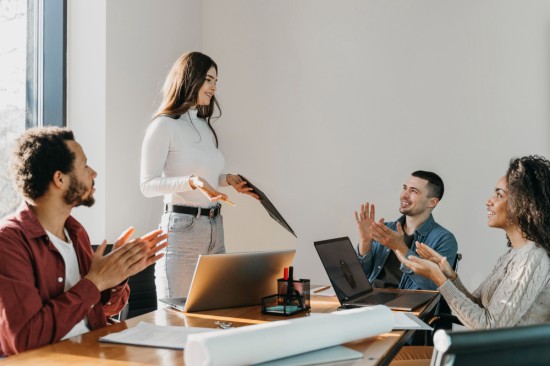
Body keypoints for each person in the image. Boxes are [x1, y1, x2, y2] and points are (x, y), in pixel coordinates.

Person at [0, 127, 168, 356]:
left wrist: (116, 274)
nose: (94, 173)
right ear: (59, 179)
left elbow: (101, 310)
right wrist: (95, 281)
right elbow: (24, 340)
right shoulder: (9, 241)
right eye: (85, 165)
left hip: (96, 350)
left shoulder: (75, 232)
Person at [392, 156, 550, 364]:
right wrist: (449, 274)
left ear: (523, 204)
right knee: (392, 357)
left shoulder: (532, 258)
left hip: (496, 360)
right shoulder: (514, 253)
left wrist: (439, 280)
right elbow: (476, 304)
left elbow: (488, 328)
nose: (489, 201)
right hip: (485, 355)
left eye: (499, 194)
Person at [140, 51, 258, 300]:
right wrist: (190, 181)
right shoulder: (164, 125)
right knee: (178, 318)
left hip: (215, 226)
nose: (214, 87)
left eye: (216, 81)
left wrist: (227, 179)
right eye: (208, 79)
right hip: (183, 230)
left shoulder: (203, 125)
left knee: (215, 312)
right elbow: (147, 185)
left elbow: (205, 177)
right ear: (189, 78)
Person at [355, 170, 457, 290]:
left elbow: (435, 286)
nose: (404, 195)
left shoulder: (444, 239)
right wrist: (365, 242)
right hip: (371, 300)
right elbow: (359, 278)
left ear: (432, 202)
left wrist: (400, 248)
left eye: (413, 191)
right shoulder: (385, 229)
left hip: (408, 306)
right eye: (405, 188)